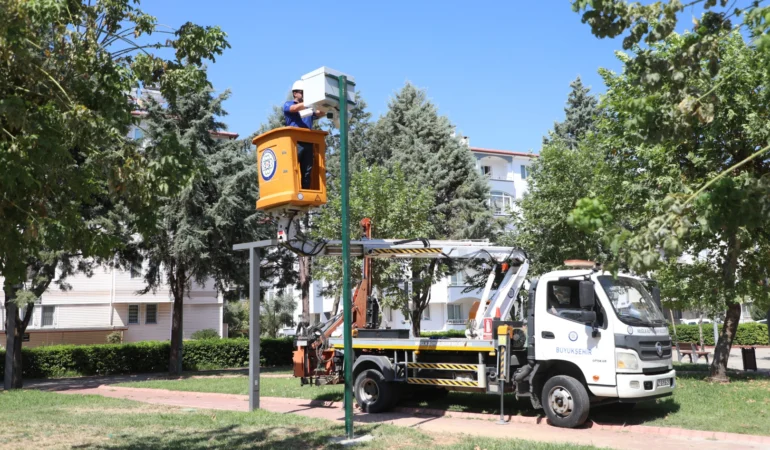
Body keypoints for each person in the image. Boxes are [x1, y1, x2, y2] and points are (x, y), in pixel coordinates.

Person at [284, 80, 323, 189]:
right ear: (295, 93)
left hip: (308, 142)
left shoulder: (309, 107)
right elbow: (294, 108)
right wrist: (310, 102)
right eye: (302, 92)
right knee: (293, 168)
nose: (304, 94)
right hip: (295, 142)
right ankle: (292, 189)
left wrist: (326, 105)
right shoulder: (289, 104)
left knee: (307, 170)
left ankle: (305, 190)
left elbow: (320, 113)